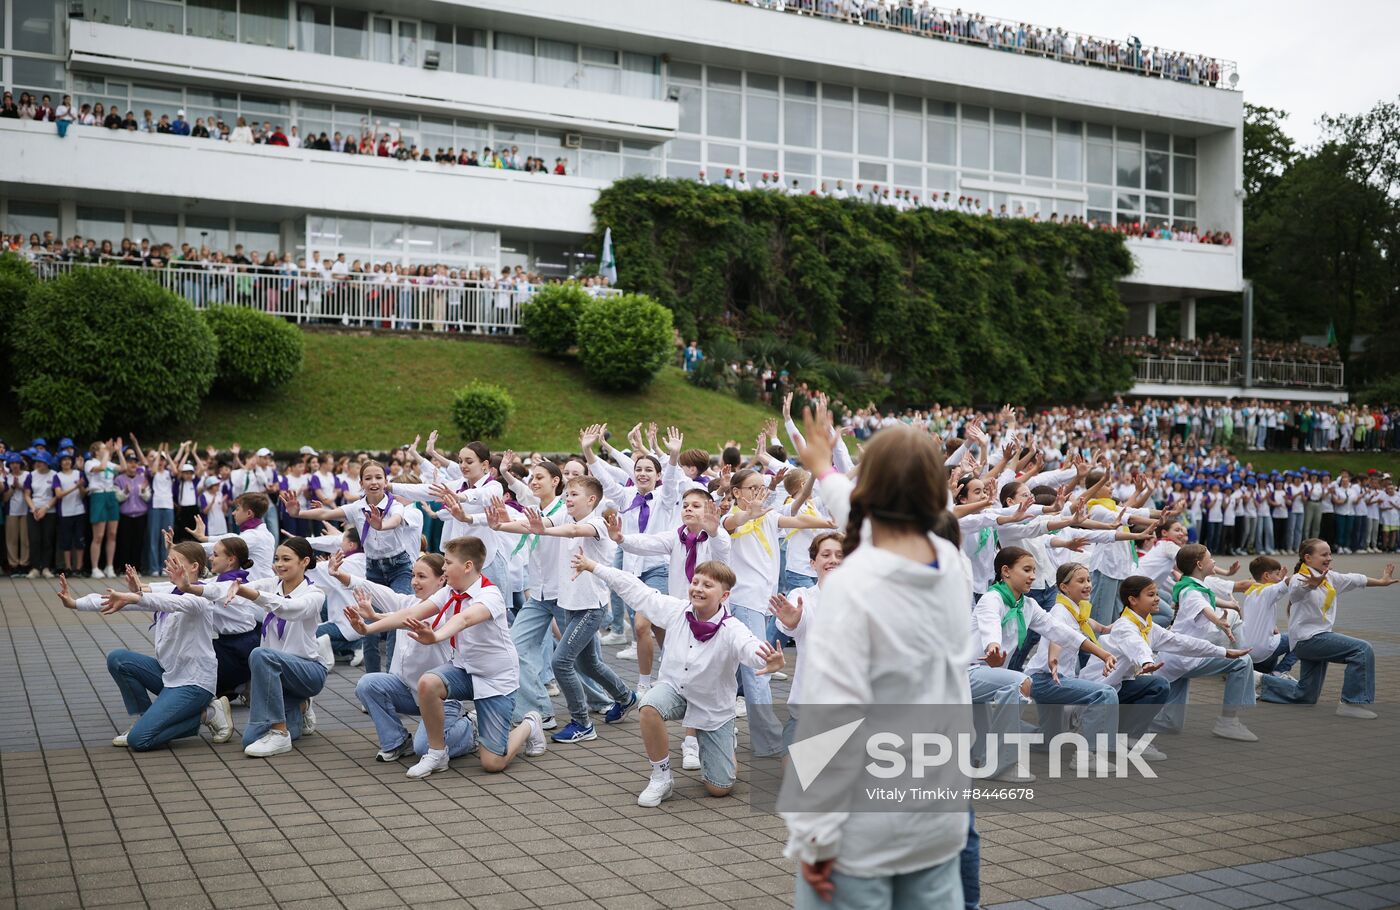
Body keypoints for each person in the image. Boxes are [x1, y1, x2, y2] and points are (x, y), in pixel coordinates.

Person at [783, 406, 970, 910]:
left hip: (862, 832)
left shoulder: (852, 585)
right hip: (938, 816)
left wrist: (814, 835)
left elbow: (829, 719)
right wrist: (823, 471)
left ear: (869, 491)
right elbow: (873, 521)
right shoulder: (949, 561)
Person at [574, 547, 783, 806]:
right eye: (695, 582)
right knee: (648, 704)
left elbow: (749, 646)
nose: (698, 588)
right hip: (675, 690)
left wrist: (767, 659)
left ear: (724, 595)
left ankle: (724, 746)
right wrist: (594, 566)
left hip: (712, 707)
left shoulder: (732, 628)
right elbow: (637, 590)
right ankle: (661, 777)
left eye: (708, 585)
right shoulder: (676, 610)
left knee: (719, 788)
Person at [345, 536, 544, 778]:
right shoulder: (449, 591)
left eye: (448, 563)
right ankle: (437, 754)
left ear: (468, 566)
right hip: (463, 670)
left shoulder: (490, 594)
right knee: (428, 682)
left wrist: (435, 636)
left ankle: (529, 725)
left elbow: (465, 619)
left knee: (493, 764)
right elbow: (411, 612)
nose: (445, 567)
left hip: (495, 679)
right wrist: (367, 628)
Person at [55, 543, 233, 750]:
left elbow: (166, 602)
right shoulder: (170, 588)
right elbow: (122, 599)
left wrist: (135, 596)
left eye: (175, 562)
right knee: (118, 659)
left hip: (194, 683)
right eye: (168, 561)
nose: (168, 566)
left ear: (194, 566)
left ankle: (207, 714)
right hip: (170, 675)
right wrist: (75, 603)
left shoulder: (201, 598)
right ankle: (146, 718)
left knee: (139, 740)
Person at [180, 537, 327, 757]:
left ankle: (279, 734)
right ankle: (301, 708)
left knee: (260, 654)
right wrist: (188, 587)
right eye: (277, 559)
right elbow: (222, 588)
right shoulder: (270, 583)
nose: (279, 564)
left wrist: (248, 593)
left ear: (304, 561)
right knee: (251, 740)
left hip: (307, 671)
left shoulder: (315, 594)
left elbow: (290, 608)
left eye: (286, 559)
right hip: (278, 677)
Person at [1258, 539, 1397, 715]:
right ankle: (1351, 704)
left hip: (1315, 639)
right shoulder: (1299, 578)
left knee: (1306, 695)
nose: (1329, 558)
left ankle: (1260, 680)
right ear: (1308, 557)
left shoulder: (1329, 577)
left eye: (1330, 554)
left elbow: (1354, 579)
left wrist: (1381, 581)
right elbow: (1296, 592)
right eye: (1324, 554)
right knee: (1362, 650)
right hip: (1307, 640)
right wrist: (1310, 585)